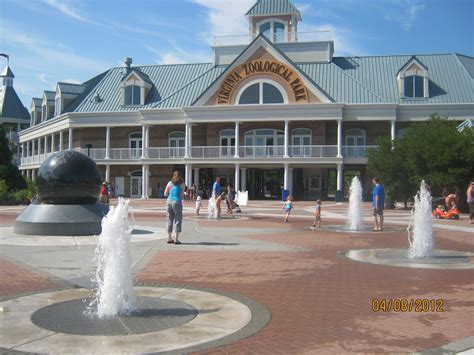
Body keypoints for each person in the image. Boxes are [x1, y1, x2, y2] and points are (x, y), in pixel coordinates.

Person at [164, 171, 185, 245]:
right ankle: (176, 239)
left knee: (169, 219)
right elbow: (182, 195)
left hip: (169, 202)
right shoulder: (182, 184)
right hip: (177, 202)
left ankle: (169, 238)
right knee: (178, 219)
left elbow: (165, 193)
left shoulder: (170, 183)